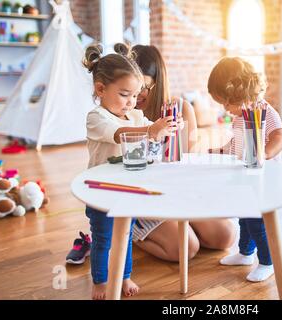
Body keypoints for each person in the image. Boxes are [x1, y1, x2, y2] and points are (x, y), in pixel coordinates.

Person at [82, 43, 177, 299]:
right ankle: (100, 281)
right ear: (100, 89)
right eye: (125, 94)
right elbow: (119, 135)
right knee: (103, 240)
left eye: (135, 95)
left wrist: (162, 129)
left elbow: (150, 133)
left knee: (124, 236)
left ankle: (124, 276)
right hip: (101, 194)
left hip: (129, 192)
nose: (132, 102)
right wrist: (150, 130)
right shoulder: (97, 117)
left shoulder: (135, 116)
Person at [129, 45, 236, 261]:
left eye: (144, 86)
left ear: (158, 81)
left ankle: (182, 225)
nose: (137, 95)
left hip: (177, 192)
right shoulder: (126, 113)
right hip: (145, 199)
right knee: (186, 248)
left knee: (226, 236)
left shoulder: (181, 108)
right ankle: (129, 233)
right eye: (131, 87)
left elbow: (189, 164)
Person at [207, 56, 282, 282]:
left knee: (257, 223)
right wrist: (219, 152)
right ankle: (245, 253)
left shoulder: (264, 111)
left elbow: (279, 136)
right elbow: (237, 145)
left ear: (239, 93)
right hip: (245, 178)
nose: (225, 108)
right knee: (244, 218)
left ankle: (268, 261)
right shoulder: (239, 117)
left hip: (263, 180)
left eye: (226, 103)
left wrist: (265, 153)